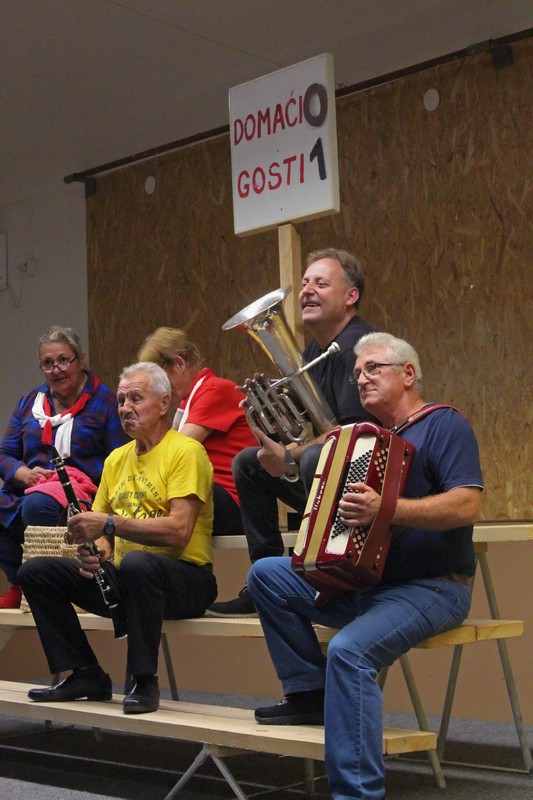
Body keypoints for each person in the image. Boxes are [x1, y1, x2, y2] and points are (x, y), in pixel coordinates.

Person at [247, 332, 483, 800]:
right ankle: (307, 693)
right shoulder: (361, 442)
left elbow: (466, 506)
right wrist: (286, 467)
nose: (361, 378)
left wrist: (387, 510)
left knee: (350, 652)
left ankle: (357, 795)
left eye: (373, 368)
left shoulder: (444, 424)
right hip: (364, 586)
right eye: (357, 373)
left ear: (409, 374)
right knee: (266, 575)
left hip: (431, 589)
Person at [18, 361, 216, 715]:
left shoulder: (186, 452)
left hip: (186, 578)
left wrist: (109, 523)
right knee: (36, 572)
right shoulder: (115, 460)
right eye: (122, 401)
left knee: (140, 563)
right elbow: (105, 536)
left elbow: (179, 531)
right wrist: (98, 552)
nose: (125, 408)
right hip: (131, 578)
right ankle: (85, 672)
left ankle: (143, 678)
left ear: (164, 403)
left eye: (136, 399)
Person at [208, 247, 375, 616]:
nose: (306, 291)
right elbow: (302, 428)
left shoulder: (360, 348)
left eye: (321, 283)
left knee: (317, 455)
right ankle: (262, 579)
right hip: (323, 479)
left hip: (362, 486)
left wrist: (288, 456)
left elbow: (348, 434)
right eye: (303, 284)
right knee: (247, 464)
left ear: (351, 297)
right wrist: (267, 412)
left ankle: (313, 576)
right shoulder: (315, 352)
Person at [0, 326, 129, 608]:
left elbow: (121, 460)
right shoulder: (28, 403)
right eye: (47, 363)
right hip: (31, 489)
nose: (56, 370)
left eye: (63, 360)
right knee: (29, 502)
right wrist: (23, 474)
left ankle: (67, 584)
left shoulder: (105, 402)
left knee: (36, 505)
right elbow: (6, 454)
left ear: (79, 360)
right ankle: (20, 582)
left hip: (82, 494)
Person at [137, 327, 256, 535]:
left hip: (235, 503)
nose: (160, 390)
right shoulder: (191, 400)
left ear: (179, 364)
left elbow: (176, 452)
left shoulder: (215, 389)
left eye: (160, 380)